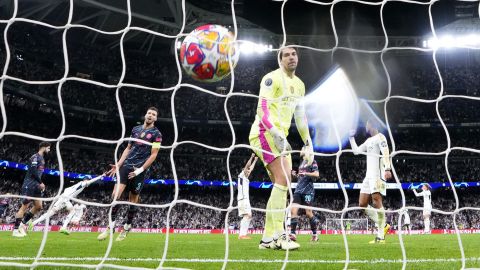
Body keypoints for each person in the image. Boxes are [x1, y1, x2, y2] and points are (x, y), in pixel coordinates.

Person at [249, 46, 314, 250]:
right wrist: (276, 134)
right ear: (280, 60)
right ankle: (278, 236)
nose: (291, 57)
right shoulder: (271, 78)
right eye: (286, 54)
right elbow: (262, 109)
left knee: (283, 184)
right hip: (264, 132)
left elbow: (300, 117)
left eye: (294, 54)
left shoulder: (300, 85)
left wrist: (308, 142)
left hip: (281, 137)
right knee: (284, 177)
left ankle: (268, 239)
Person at [98, 107, 162, 241]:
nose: (150, 115)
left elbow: (154, 155)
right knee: (115, 196)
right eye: (149, 113)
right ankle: (111, 227)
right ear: (145, 115)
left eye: (153, 114)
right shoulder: (135, 130)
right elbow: (128, 148)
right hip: (126, 166)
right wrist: (118, 164)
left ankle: (127, 226)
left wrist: (140, 170)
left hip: (139, 170)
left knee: (133, 201)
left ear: (156, 118)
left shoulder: (157, 134)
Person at [349, 120, 392, 244]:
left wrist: (388, 168)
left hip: (378, 175)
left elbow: (385, 152)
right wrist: (351, 138)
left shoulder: (380, 137)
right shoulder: (368, 141)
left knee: (376, 201)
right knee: (362, 204)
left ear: (372, 125)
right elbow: (356, 151)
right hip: (368, 177)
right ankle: (383, 225)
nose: (366, 126)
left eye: (367, 124)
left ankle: (380, 236)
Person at [30, 174, 104, 234]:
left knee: (51, 213)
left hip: (63, 197)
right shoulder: (82, 183)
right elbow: (89, 182)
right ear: (86, 179)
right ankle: (63, 227)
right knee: (72, 211)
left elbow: (67, 190)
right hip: (65, 198)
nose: (89, 183)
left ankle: (33, 223)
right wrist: (101, 176)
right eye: (88, 179)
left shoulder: (78, 185)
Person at [12, 142, 51, 237]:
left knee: (39, 206)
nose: (49, 150)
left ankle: (22, 224)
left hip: (36, 187)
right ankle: (15, 231)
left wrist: (39, 183)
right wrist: (41, 182)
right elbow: (33, 171)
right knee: (24, 207)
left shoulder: (42, 159)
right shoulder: (35, 157)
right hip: (29, 185)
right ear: (44, 147)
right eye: (48, 148)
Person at [290, 146, 319, 242]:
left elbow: (316, 174)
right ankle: (293, 234)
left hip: (308, 191)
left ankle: (315, 234)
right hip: (298, 190)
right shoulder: (302, 163)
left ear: (307, 151)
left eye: (302, 149)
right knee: (293, 211)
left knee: (308, 213)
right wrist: (296, 175)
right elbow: (301, 176)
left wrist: (305, 173)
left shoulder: (312, 161)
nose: (300, 150)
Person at [237, 154, 258, 240]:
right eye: (246, 170)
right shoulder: (241, 176)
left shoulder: (246, 178)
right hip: (243, 199)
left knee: (249, 215)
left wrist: (256, 160)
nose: (248, 171)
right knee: (248, 215)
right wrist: (252, 157)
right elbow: (247, 166)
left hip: (245, 199)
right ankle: (242, 235)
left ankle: (243, 234)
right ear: (243, 170)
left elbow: (250, 168)